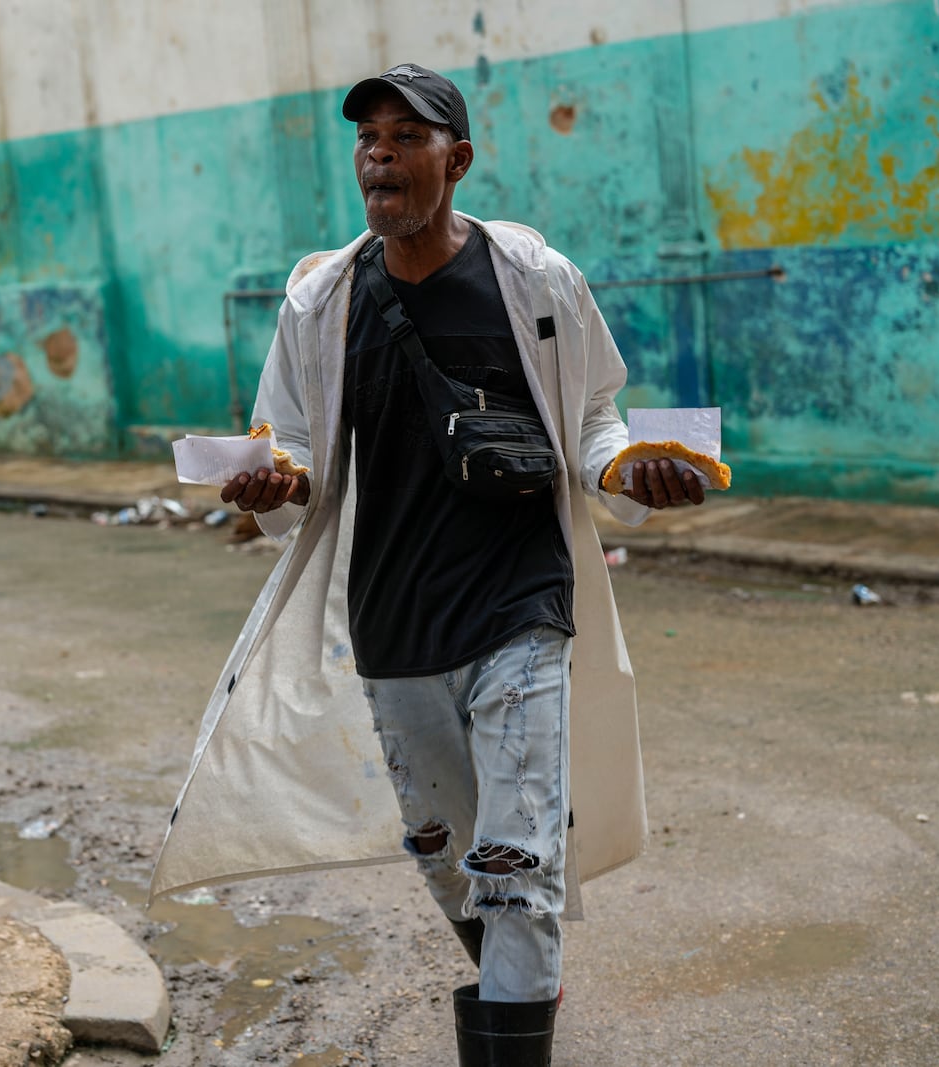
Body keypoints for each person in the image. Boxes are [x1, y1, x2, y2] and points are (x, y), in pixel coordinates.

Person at [158, 64, 706, 1064]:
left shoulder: (535, 279)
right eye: (367, 135)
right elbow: (292, 449)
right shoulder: (322, 301)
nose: (378, 152)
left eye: (406, 136)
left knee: (516, 860)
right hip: (394, 621)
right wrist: (271, 487)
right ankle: (517, 975)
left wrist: (630, 466)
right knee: (454, 862)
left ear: (455, 160)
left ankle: (512, 1006)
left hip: (521, 601)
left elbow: (591, 415)